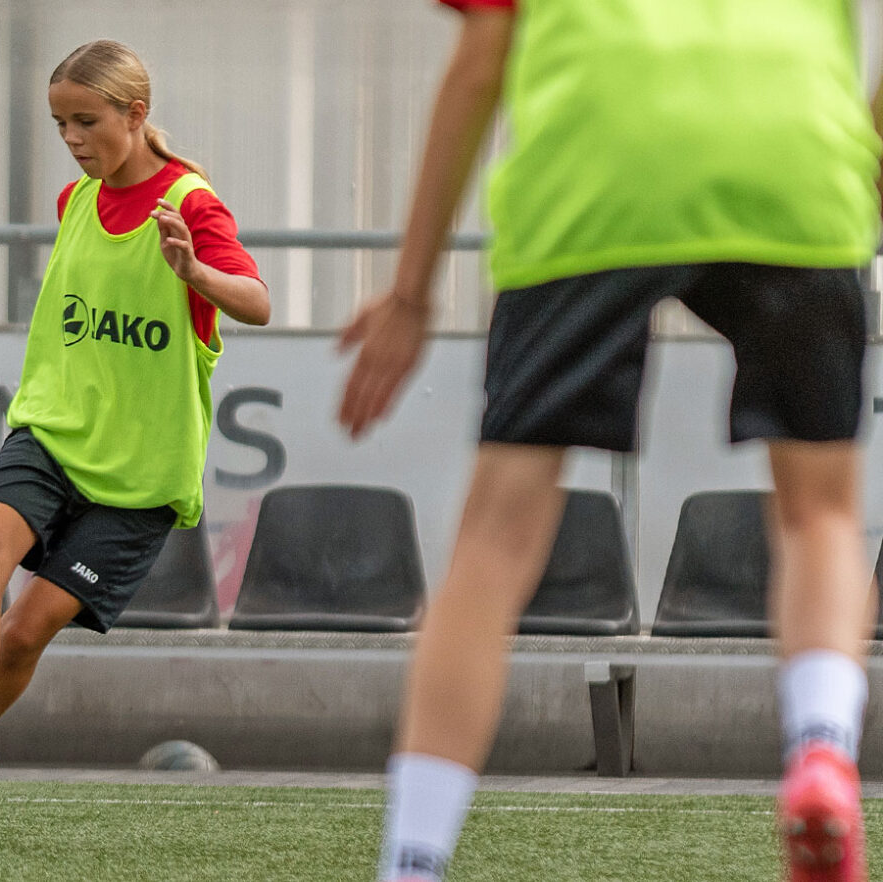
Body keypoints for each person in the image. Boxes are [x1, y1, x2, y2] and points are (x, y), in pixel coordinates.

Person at [336, 2, 883, 881]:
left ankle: (414, 859)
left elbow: (482, 59)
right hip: (795, 160)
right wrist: (859, 163)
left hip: (595, 173)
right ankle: (823, 749)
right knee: (818, 509)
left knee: (495, 536)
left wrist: (410, 293)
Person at [0, 38, 270, 843]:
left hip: (140, 477)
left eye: (86, 121)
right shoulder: (74, 203)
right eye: (60, 124)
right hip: (53, 430)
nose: (73, 139)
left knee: (24, 632)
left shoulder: (189, 206)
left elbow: (257, 302)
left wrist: (195, 274)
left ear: (136, 114)